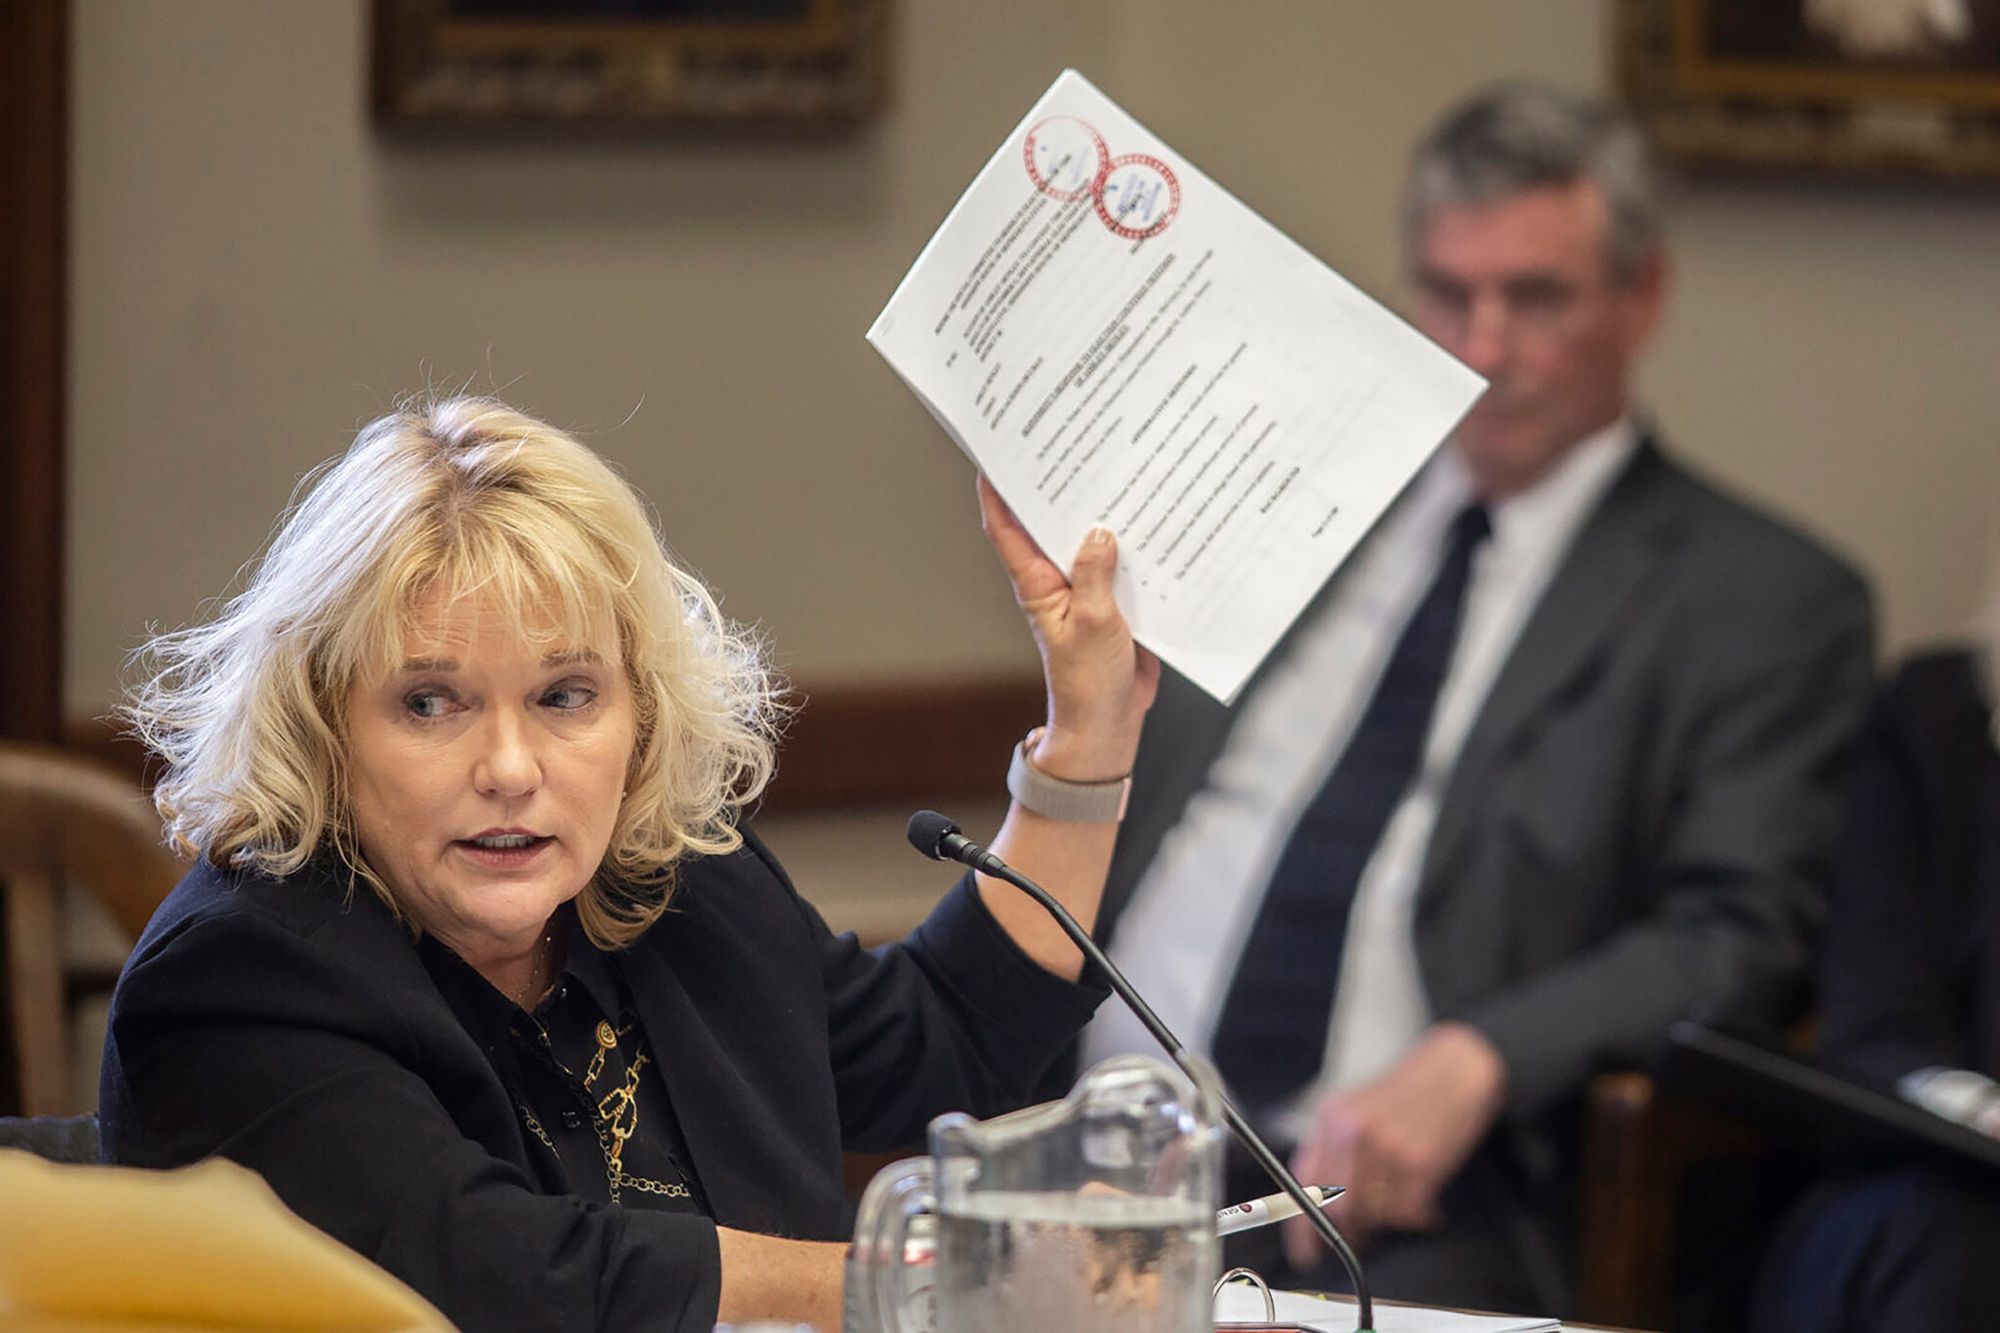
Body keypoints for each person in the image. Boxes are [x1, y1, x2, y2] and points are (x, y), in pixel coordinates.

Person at [100, 396, 1157, 1332]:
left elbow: (937, 1043)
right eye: (430, 702)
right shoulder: (237, 981)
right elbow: (511, 1279)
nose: (510, 769)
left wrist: (1092, 733)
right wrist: (950, 1277)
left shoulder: (675, 881)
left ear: (640, 716)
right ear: (325, 723)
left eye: (565, 696)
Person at [1072, 83, 1874, 1316]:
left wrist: (1484, 1054)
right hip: (1082, 1139)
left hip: (1403, 1200)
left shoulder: (1760, 598)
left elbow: (1738, 930)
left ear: (1639, 296)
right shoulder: (1284, 500)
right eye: (1446, 294)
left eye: (1535, 298)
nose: (1481, 349)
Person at [1749, 628, 2000, 1330]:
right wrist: (1980, 1112)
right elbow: (1879, 1018)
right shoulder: (1938, 718)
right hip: (1949, 1173)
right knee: (1936, 1233)